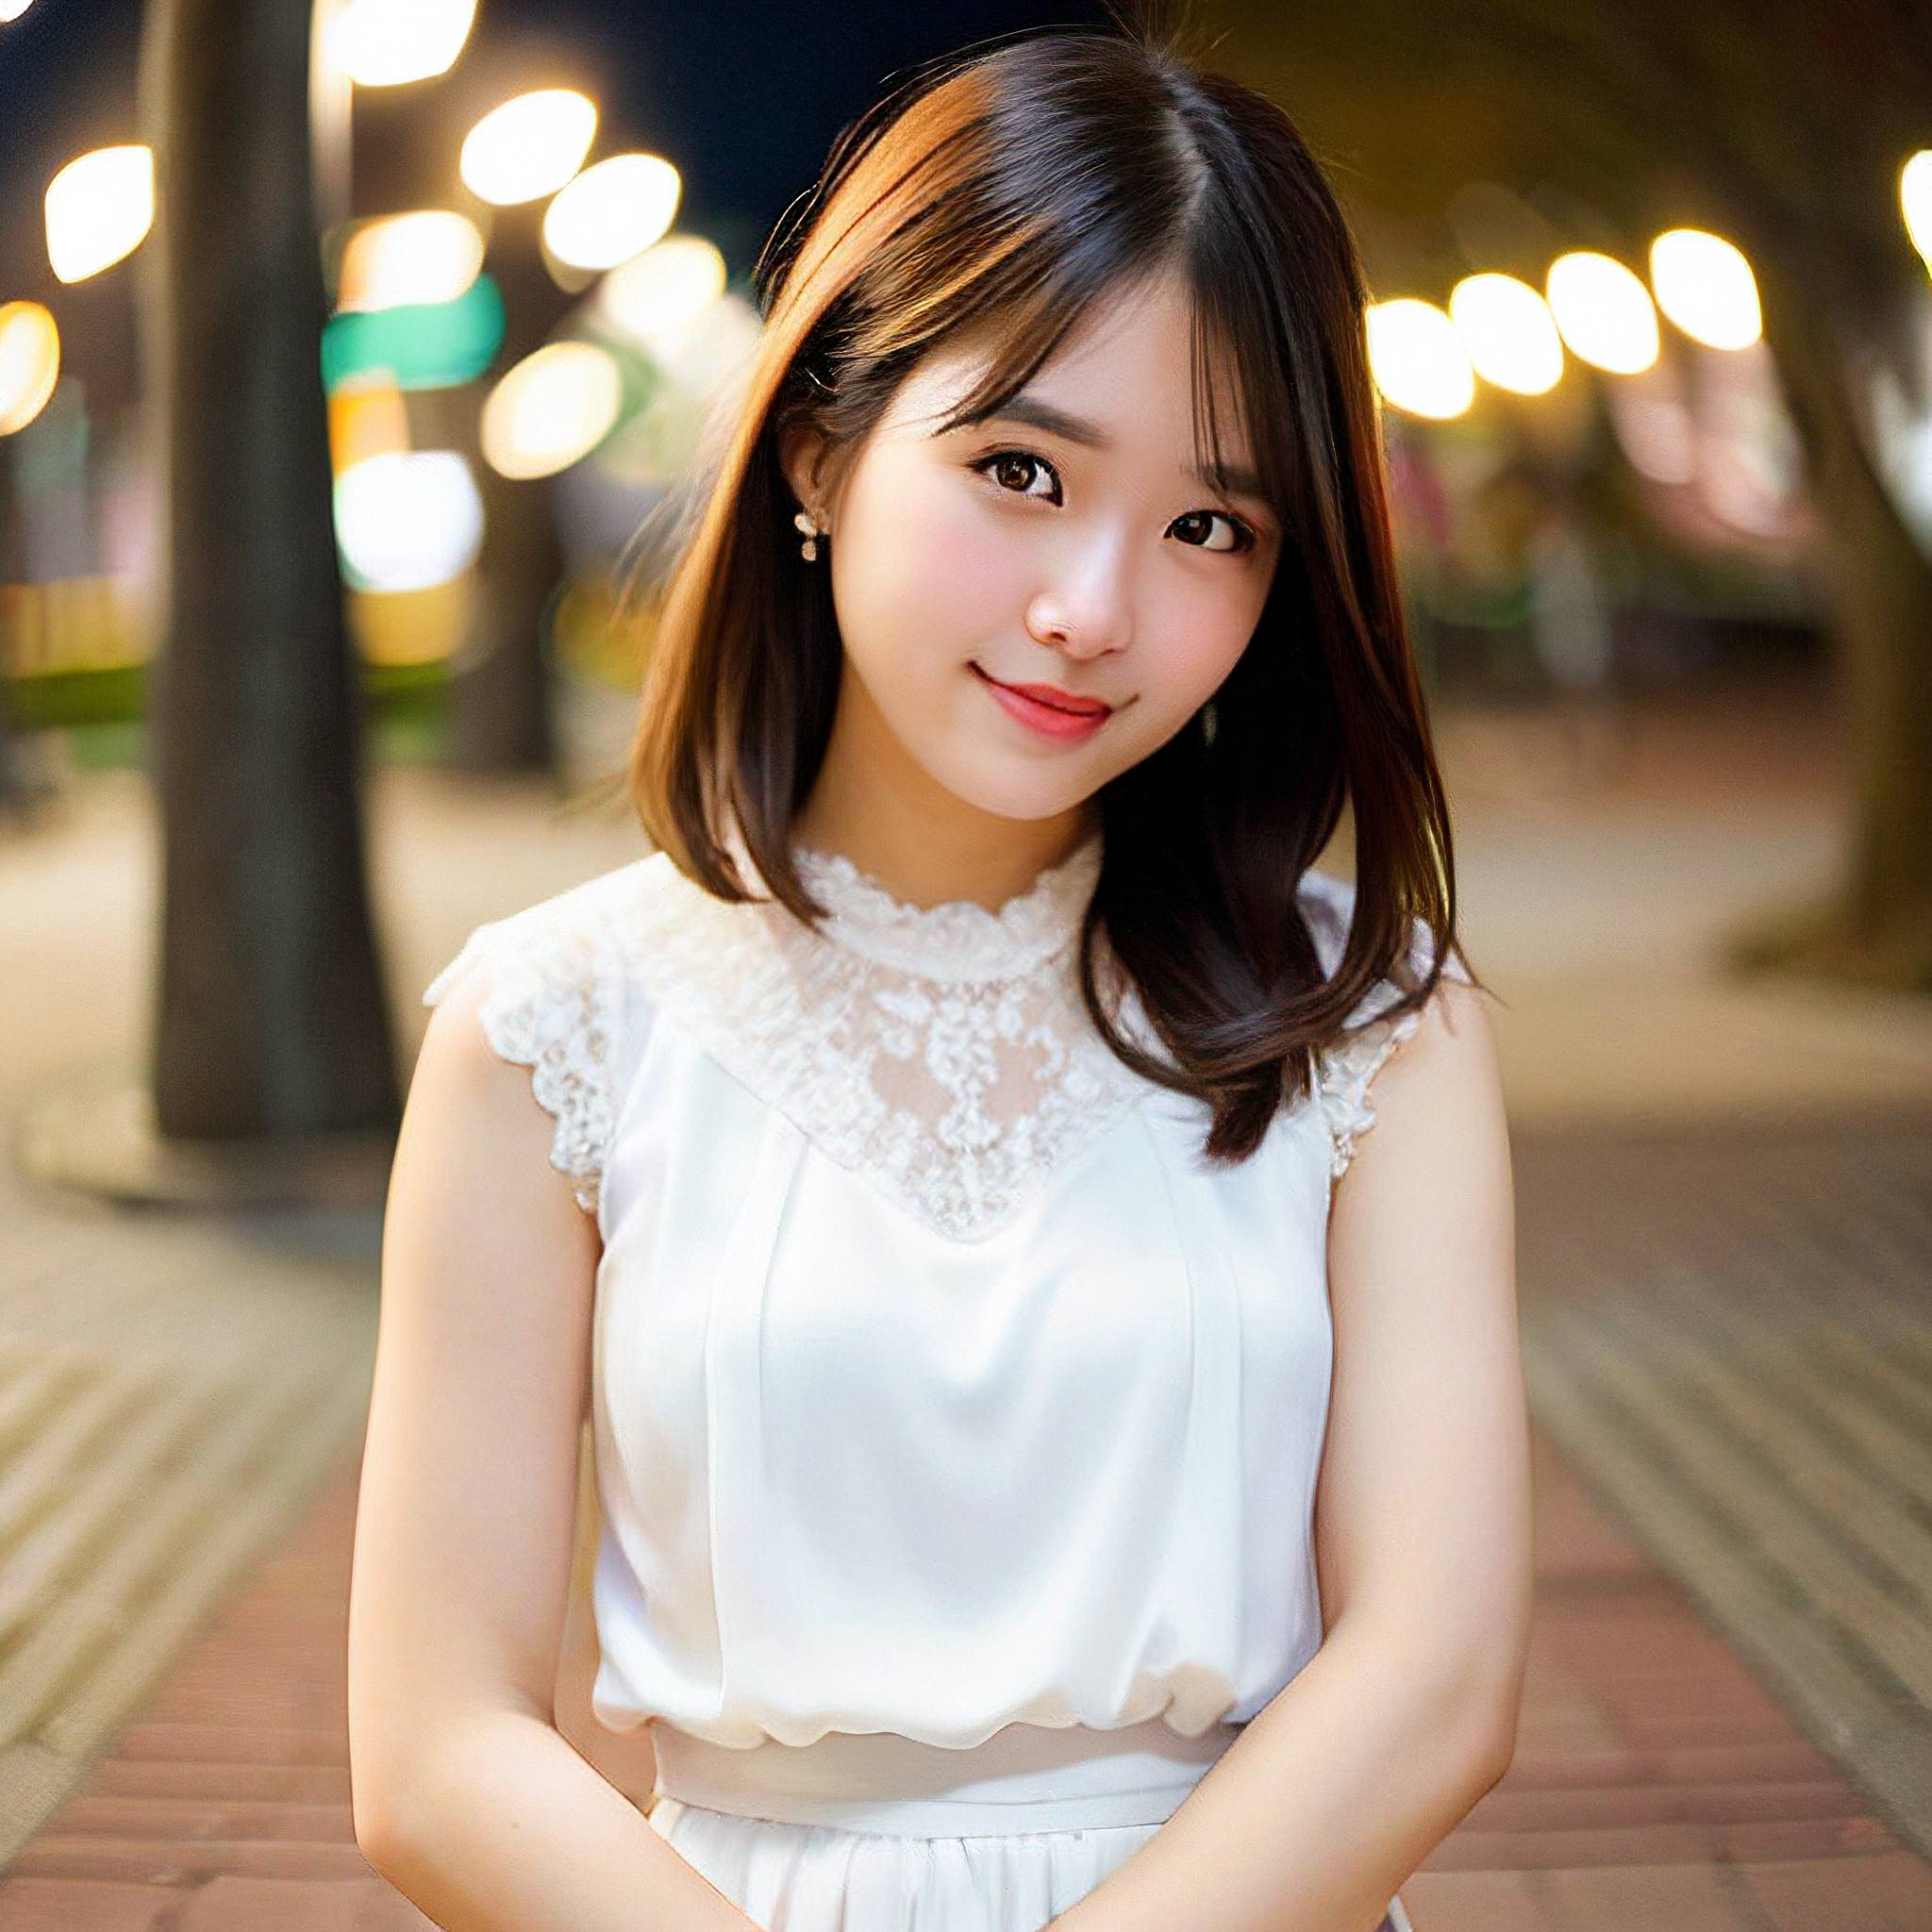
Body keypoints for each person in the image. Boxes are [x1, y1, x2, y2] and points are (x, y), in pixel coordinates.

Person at [346, 20, 1531, 1932]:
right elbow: (435, 1750)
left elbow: (1434, 1679)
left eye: (1208, 525)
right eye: (1017, 469)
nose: (1095, 606)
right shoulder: (555, 1023)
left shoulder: (1372, 1017)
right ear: (819, 445)